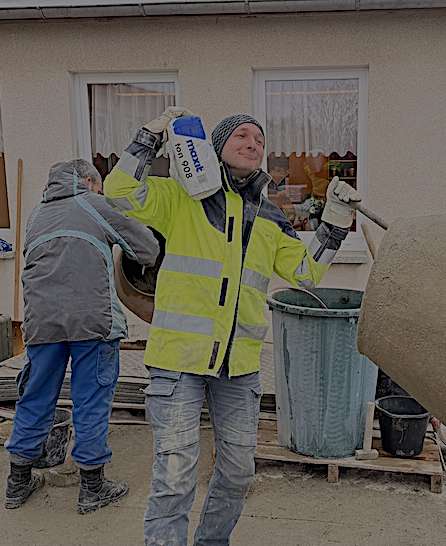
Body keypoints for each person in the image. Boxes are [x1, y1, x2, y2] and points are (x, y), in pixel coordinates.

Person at [104, 109, 362, 545]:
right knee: (175, 475)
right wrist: (149, 138)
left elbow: (304, 272)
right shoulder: (181, 198)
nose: (253, 143)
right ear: (216, 147)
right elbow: (120, 192)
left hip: (238, 367)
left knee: (239, 472)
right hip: (179, 361)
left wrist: (335, 220)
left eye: (259, 139)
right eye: (242, 135)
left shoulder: (270, 216)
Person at [5, 158, 160, 514]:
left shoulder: (37, 215)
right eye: (100, 187)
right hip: (92, 321)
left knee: (35, 396)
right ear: (89, 183)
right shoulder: (93, 203)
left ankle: (17, 483)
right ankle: (92, 489)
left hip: (41, 323)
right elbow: (148, 248)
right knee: (90, 399)